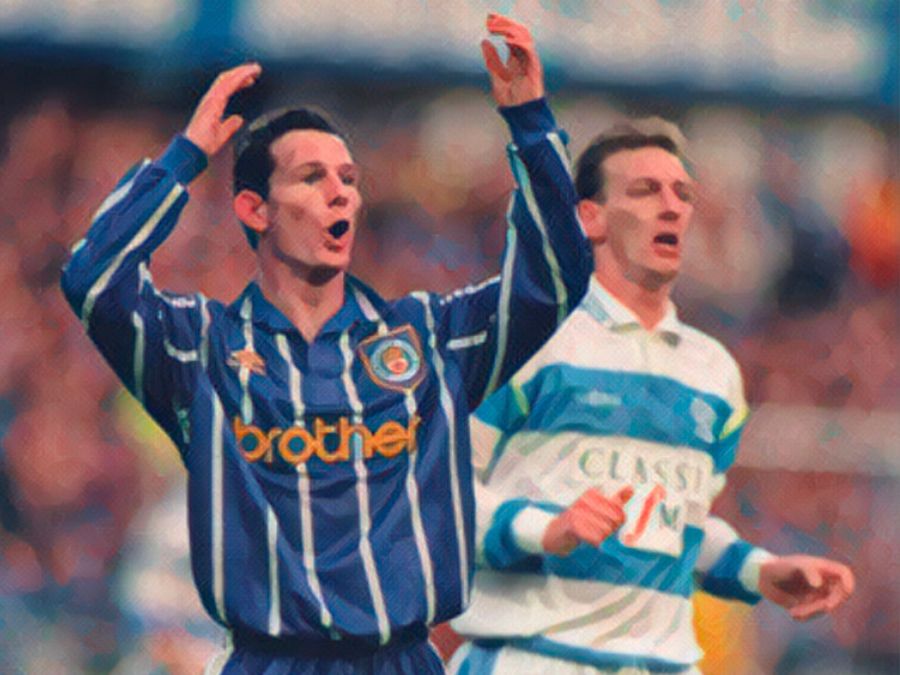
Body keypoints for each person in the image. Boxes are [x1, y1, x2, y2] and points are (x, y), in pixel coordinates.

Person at [60, 15, 592, 674]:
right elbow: (92, 279)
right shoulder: (199, 350)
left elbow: (556, 278)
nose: (341, 192)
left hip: (401, 659)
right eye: (312, 177)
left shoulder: (428, 340)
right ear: (254, 209)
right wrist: (185, 157)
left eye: (349, 177)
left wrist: (531, 124)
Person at [450, 115, 856, 674]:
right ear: (589, 217)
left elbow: (676, 527)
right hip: (534, 658)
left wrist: (759, 571)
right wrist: (545, 528)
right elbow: (439, 500)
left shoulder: (713, 372)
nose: (671, 207)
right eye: (645, 191)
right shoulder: (528, 341)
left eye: (682, 194)